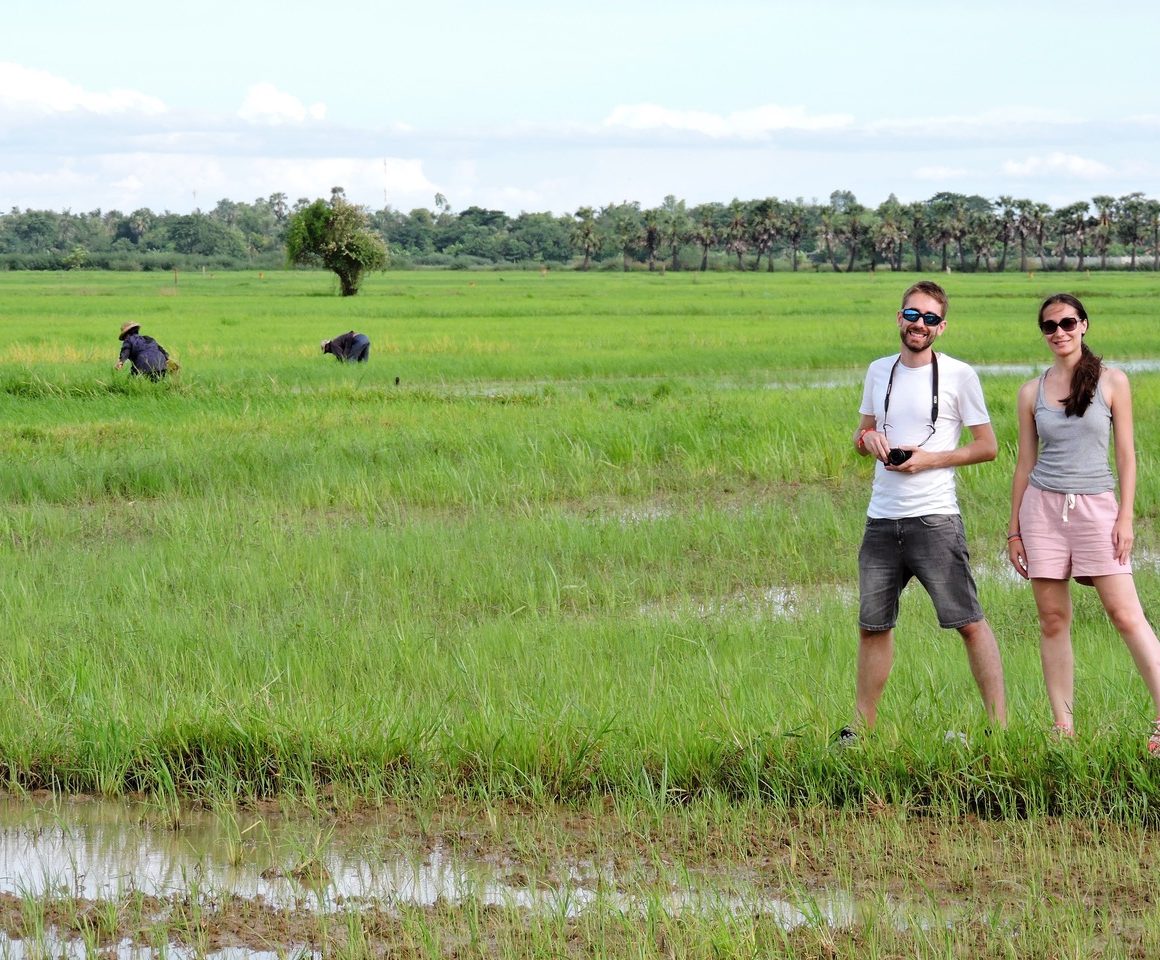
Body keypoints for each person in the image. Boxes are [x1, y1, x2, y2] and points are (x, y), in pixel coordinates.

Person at [843, 280, 1007, 741]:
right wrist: (868, 440)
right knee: (873, 626)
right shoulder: (879, 371)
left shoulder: (960, 375)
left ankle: (999, 729)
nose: (920, 324)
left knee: (969, 623)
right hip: (881, 518)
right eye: (913, 315)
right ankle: (861, 731)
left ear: (942, 327)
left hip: (935, 519)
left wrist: (929, 459)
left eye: (930, 318)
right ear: (899, 317)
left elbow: (988, 447)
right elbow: (861, 436)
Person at [1008, 293, 1160, 752]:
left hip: (1097, 508)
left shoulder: (1112, 381)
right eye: (1050, 326)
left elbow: (1127, 455)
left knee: (1125, 614)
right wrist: (1014, 529)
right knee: (1053, 620)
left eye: (1068, 323)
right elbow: (1024, 463)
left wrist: (1125, 516)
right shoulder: (1030, 392)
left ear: (1084, 325)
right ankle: (1063, 728)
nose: (1060, 332)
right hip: (1042, 511)